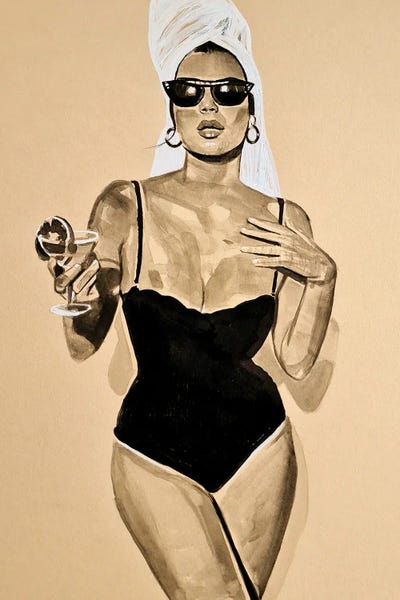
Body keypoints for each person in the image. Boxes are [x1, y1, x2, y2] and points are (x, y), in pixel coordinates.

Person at [43, 1, 336, 598]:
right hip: (152, 452)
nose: (208, 106)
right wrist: (78, 294)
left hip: (262, 451)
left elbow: (297, 361)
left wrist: (323, 276)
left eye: (227, 92)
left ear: (251, 111)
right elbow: (82, 344)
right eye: (189, 91)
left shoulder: (286, 220)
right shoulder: (124, 206)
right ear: (172, 110)